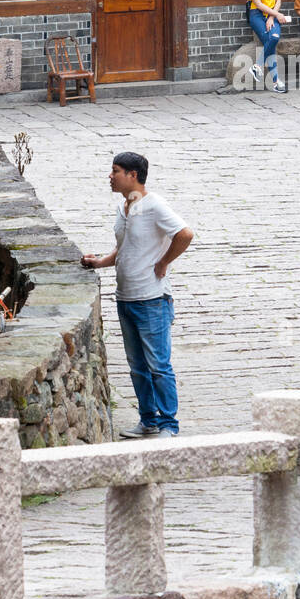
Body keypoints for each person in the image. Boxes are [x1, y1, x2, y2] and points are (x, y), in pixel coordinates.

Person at [81, 152, 193, 439]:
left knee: (158, 365)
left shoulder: (154, 205)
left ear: (133, 175)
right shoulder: (125, 207)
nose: (110, 176)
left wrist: (164, 262)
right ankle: (148, 420)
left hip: (152, 299)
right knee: (138, 367)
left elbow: (185, 234)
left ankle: (169, 424)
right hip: (126, 297)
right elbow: (126, 247)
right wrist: (99, 263)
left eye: (115, 171)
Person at [246, 0, 288, 93]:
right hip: (257, 15)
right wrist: (276, 15)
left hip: (271, 13)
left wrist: (272, 16)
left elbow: (278, 0)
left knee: (273, 38)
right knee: (270, 41)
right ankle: (276, 82)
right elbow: (258, 4)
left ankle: (257, 67)